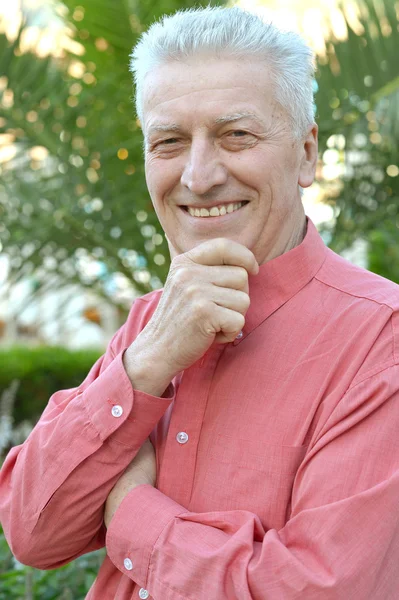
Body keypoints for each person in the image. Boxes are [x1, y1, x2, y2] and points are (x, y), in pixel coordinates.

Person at [1, 6, 399, 599]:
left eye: (236, 135)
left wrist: (132, 511)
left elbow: (318, 590)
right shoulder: (149, 326)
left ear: (308, 154)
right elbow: (34, 534)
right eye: (169, 141)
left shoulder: (381, 341)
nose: (199, 174)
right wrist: (146, 365)